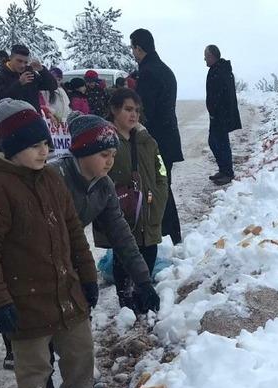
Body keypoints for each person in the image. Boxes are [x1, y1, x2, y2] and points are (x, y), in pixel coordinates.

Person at [0, 99, 106, 388]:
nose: (44, 151)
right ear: (11, 146)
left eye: (46, 143)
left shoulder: (51, 178)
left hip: (66, 289)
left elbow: (73, 230)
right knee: (34, 369)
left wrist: (87, 275)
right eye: (34, 145)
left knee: (80, 351)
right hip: (25, 299)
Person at [48, 112, 161, 314]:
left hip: (68, 254)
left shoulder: (104, 185)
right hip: (37, 260)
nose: (110, 162)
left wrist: (143, 281)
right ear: (83, 152)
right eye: (104, 155)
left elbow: (120, 234)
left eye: (113, 155)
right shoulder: (55, 178)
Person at [102, 89, 168, 309]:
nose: (134, 115)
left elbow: (161, 170)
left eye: (137, 111)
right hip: (123, 212)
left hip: (149, 210)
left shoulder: (146, 140)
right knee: (124, 257)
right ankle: (126, 303)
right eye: (128, 109)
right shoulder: (106, 142)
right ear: (114, 110)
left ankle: (144, 300)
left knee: (149, 251)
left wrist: (159, 196)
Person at [130, 28, 183, 245]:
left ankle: (169, 235)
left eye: (133, 48)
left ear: (138, 48)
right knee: (162, 185)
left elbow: (144, 112)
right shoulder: (164, 69)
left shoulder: (148, 73)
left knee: (158, 188)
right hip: (167, 139)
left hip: (156, 142)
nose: (132, 53)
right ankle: (171, 235)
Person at [204, 44, 242, 186]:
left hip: (221, 115)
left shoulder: (220, 71)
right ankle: (224, 170)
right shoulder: (217, 69)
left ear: (212, 56)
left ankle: (228, 173)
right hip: (217, 115)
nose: (204, 59)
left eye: (206, 56)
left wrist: (217, 112)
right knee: (216, 142)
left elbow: (222, 95)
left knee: (220, 143)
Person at [0, 44, 57, 112]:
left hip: (34, 116)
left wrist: (42, 70)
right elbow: (1, 98)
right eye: (19, 61)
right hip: (14, 116)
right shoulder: (0, 75)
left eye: (26, 62)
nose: (22, 65)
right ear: (11, 58)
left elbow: (52, 86)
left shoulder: (29, 73)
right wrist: (19, 83)